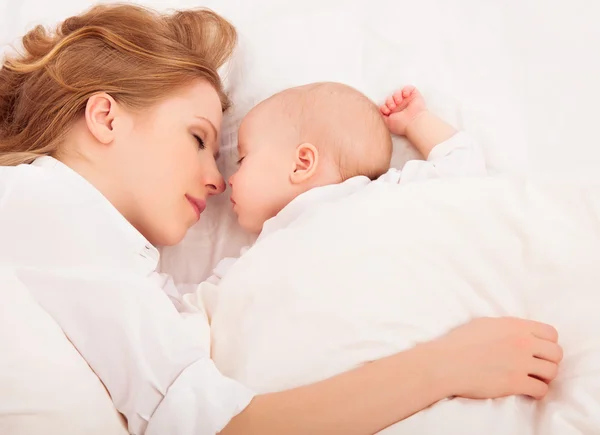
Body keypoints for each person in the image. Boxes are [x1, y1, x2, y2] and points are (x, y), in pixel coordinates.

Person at [0, 4, 562, 435]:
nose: (216, 178)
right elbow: (222, 426)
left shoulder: (93, 249)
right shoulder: (48, 206)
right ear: (105, 116)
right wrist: (447, 366)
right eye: (198, 138)